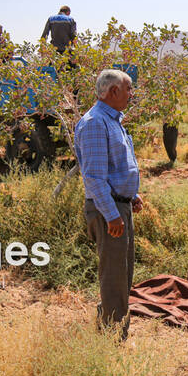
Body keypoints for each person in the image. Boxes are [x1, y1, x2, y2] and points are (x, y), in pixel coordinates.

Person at [74, 69, 143, 337]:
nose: (131, 94)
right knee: (114, 278)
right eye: (128, 89)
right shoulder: (94, 123)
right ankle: (113, 339)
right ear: (113, 91)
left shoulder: (113, 121)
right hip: (108, 210)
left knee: (123, 273)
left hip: (118, 206)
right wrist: (113, 215)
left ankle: (111, 328)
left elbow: (115, 168)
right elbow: (94, 177)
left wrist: (131, 196)